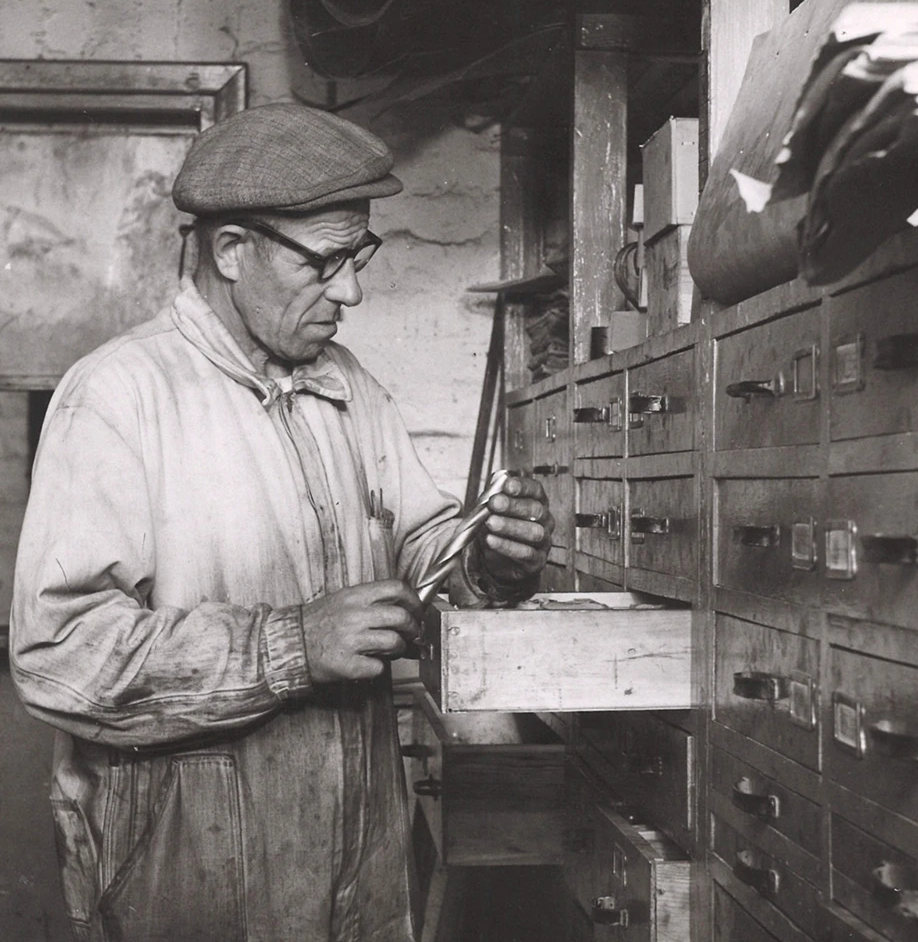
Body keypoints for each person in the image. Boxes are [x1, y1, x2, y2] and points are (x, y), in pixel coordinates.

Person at [9, 102, 553, 942]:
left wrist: (489, 558)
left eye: (359, 255)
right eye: (326, 261)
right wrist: (292, 644)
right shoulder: (119, 395)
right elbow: (59, 655)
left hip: (360, 863)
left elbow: (419, 543)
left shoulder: (348, 387)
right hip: (189, 874)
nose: (352, 290)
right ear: (232, 251)